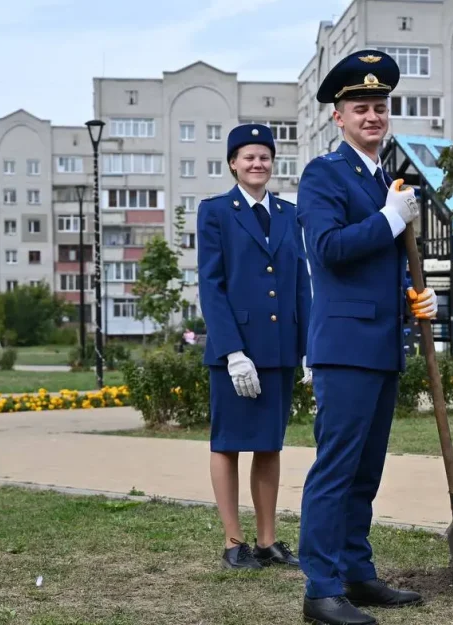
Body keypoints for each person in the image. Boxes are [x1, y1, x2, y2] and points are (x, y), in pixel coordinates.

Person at [295, 49, 437, 625]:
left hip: (381, 345)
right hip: (346, 348)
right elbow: (328, 250)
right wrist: (392, 220)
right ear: (338, 115)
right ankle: (320, 589)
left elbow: (378, 266)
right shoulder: (324, 175)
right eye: (360, 106)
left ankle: (355, 571)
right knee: (336, 468)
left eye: (379, 106)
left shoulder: (383, 177)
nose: (372, 115)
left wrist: (412, 297)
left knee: (365, 470)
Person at [196, 123, 312, 570]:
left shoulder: (289, 212)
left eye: (264, 156)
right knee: (226, 444)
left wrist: (308, 349)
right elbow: (212, 285)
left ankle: (266, 541)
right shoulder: (216, 212)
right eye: (248, 157)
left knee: (269, 444)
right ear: (232, 163)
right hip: (236, 351)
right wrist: (231, 351)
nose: (257, 163)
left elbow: (301, 284)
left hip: (280, 348)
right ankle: (233, 542)